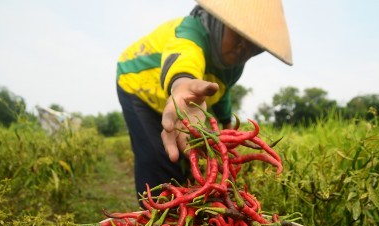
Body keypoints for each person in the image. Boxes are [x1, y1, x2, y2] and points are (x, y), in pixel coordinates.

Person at [116, 0, 293, 207]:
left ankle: (180, 222)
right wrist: (182, 84)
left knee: (190, 159)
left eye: (254, 46)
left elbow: (220, 90)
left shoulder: (233, 67)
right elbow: (183, 57)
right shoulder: (191, 30)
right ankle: (155, 222)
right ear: (218, 21)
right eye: (238, 36)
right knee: (157, 159)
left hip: (179, 104)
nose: (243, 49)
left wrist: (226, 120)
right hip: (137, 85)